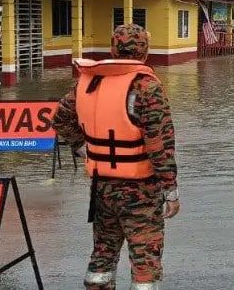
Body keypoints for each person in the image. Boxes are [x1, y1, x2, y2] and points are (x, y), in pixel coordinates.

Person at [53, 24, 180, 290]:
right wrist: (171, 190)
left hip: (102, 188)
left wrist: (82, 147)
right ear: (145, 52)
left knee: (103, 253)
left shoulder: (88, 82)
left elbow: (60, 118)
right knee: (145, 259)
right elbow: (159, 145)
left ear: (113, 48)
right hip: (140, 191)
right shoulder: (146, 87)